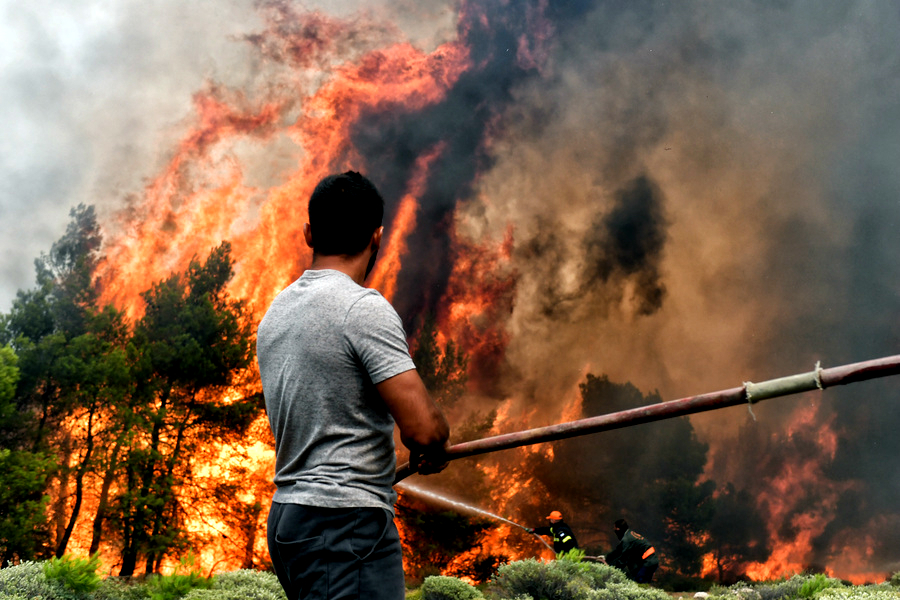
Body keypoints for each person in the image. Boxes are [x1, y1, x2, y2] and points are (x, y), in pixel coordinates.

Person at [257, 171, 451, 600]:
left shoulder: (276, 313)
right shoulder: (362, 308)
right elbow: (423, 429)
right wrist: (435, 443)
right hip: (345, 525)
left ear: (309, 233)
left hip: (290, 518)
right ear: (377, 237)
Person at [605, 518, 659, 584]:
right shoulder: (629, 534)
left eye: (615, 528)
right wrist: (606, 557)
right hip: (651, 561)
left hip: (648, 562)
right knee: (642, 583)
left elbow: (623, 559)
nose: (614, 530)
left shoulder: (627, 539)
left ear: (618, 529)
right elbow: (619, 550)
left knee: (639, 583)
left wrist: (614, 570)